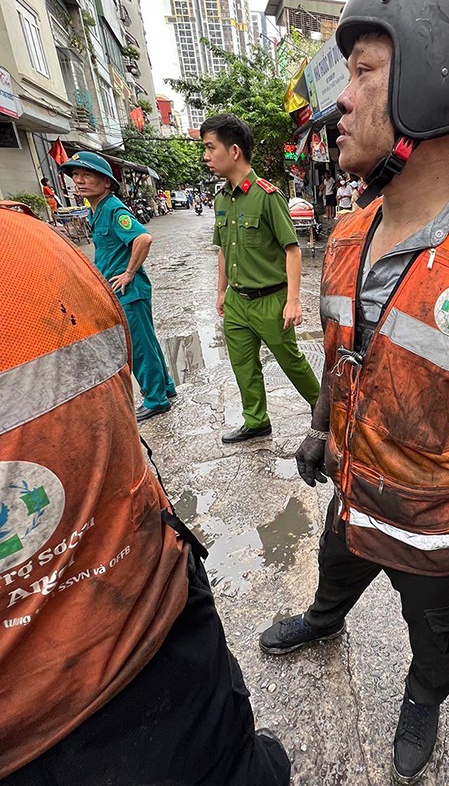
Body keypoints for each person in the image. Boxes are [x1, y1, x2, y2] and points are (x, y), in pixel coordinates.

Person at [258, 0, 449, 785]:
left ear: (433, 85)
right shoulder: (347, 237)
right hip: (354, 487)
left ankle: (423, 698)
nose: (338, 98)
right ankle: (325, 618)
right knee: (333, 564)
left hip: (434, 534)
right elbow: (340, 352)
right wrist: (321, 429)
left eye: (362, 72)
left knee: (435, 641)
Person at [0, 200, 290, 786]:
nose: (77, 183)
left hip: (103, 646)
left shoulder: (48, 240)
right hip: (149, 604)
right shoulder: (34, 244)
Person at [202, 113, 320, 443]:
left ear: (234, 150)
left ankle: (321, 408)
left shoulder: (268, 196)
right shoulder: (220, 200)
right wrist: (221, 291)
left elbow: (292, 249)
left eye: (211, 148)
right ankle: (256, 420)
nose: (206, 157)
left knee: (292, 362)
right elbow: (223, 248)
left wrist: (293, 300)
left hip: (271, 300)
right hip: (238, 302)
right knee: (243, 365)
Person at [59, 151, 175, 421]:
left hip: (128, 292)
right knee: (147, 342)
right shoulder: (97, 210)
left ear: (106, 182)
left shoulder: (112, 209)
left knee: (139, 347)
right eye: (76, 175)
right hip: (122, 293)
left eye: (87, 175)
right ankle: (165, 388)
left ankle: (156, 399)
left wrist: (128, 273)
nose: (79, 180)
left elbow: (143, 239)